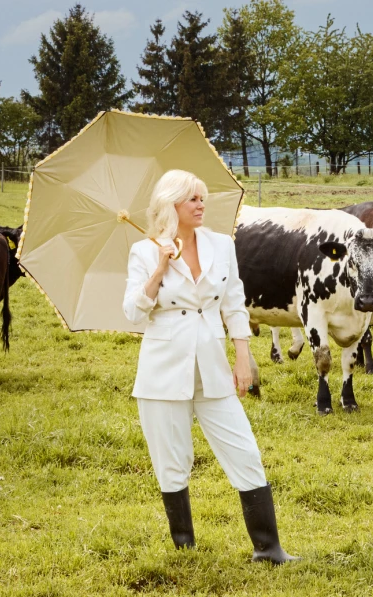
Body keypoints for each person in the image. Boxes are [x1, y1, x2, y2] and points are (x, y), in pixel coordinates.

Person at [122, 169, 297, 565]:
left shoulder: (222, 245)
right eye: (193, 199)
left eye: (203, 198)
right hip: (163, 371)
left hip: (214, 365)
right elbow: (133, 312)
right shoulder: (145, 250)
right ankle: (185, 550)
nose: (202, 205)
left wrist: (242, 358)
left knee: (244, 450)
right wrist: (160, 268)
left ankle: (268, 549)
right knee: (173, 460)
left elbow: (234, 304)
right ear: (172, 205)